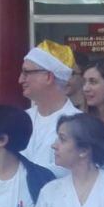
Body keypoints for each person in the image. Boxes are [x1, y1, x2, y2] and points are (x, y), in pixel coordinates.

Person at [19, 40, 82, 176]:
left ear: (48, 77)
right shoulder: (20, 119)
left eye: (26, 72)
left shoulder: (79, 125)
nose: (20, 79)